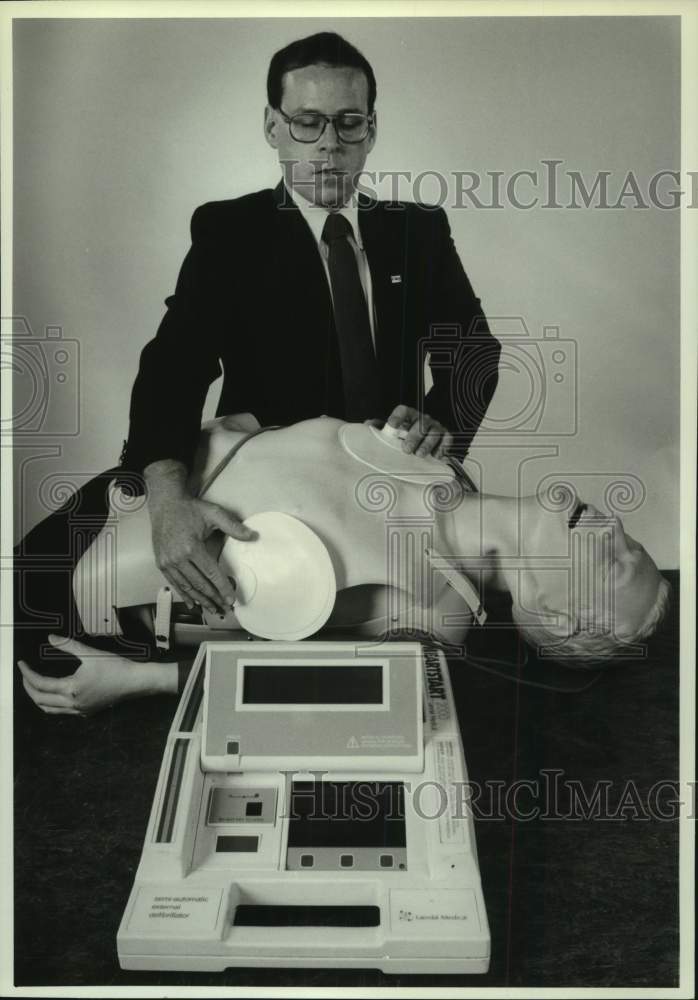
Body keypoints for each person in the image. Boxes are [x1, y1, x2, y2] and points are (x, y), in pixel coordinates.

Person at [119, 31, 501, 620]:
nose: (329, 145)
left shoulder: (417, 231)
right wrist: (166, 496)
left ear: (371, 130)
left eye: (349, 123)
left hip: (392, 478)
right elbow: (176, 364)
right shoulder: (230, 232)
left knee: (448, 623)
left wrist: (440, 425)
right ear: (273, 127)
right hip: (275, 482)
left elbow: (474, 349)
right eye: (307, 122)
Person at [17, 416, 670, 717]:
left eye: (616, 564)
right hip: (125, 493)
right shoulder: (435, 455)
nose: (612, 528)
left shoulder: (434, 623)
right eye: (632, 541)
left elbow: (303, 685)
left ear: (552, 611)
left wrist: (133, 682)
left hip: (79, 591)